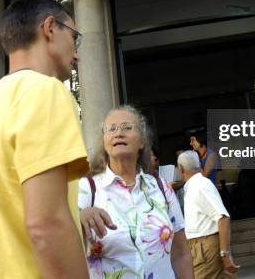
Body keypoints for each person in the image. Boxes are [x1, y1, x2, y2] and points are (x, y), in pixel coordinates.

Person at [0, 0, 89, 278]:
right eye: (75, 38)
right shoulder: (46, 92)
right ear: (50, 28)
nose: (76, 53)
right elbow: (46, 224)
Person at [78, 105, 194, 279]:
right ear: (104, 141)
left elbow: (181, 253)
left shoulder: (161, 188)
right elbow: (63, 235)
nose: (119, 133)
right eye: (111, 129)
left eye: (127, 127)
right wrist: (81, 215)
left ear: (142, 141)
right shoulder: (88, 188)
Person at [178, 151, 239, 279]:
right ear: (199, 164)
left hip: (205, 248)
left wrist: (225, 253)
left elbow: (223, 218)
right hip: (203, 247)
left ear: (181, 168)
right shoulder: (196, 185)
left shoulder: (199, 185)